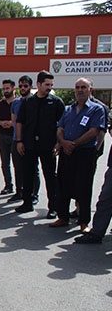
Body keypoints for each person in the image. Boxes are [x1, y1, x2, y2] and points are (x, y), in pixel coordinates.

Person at [51, 77, 105, 231]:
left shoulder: (96, 109)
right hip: (66, 153)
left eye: (83, 87)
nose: (80, 90)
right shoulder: (68, 109)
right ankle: (63, 217)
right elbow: (60, 128)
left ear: (90, 90)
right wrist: (63, 142)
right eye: (77, 87)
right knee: (63, 185)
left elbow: (94, 131)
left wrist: (73, 144)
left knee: (84, 187)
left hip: (84, 153)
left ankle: (83, 222)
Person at [15, 70, 65, 219]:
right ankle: (27, 203)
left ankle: (53, 207)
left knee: (50, 176)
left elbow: (62, 125)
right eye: (46, 84)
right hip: (29, 144)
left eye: (51, 85)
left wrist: (59, 142)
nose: (49, 87)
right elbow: (20, 122)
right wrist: (19, 141)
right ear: (38, 84)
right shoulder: (28, 102)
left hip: (48, 145)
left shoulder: (56, 102)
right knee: (28, 175)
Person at [8, 75, 40, 204]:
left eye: (25, 86)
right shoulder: (15, 102)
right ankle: (19, 191)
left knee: (33, 169)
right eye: (20, 86)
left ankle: (34, 194)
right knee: (18, 167)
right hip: (16, 139)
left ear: (31, 87)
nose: (22, 88)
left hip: (30, 141)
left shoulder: (35, 102)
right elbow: (14, 121)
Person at [0, 79, 16, 195]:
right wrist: (1, 123)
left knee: (18, 164)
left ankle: (20, 188)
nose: (6, 91)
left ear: (13, 89)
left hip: (15, 137)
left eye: (8, 88)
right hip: (2, 136)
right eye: (4, 89)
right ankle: (8, 185)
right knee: (5, 163)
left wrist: (13, 123)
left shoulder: (18, 103)